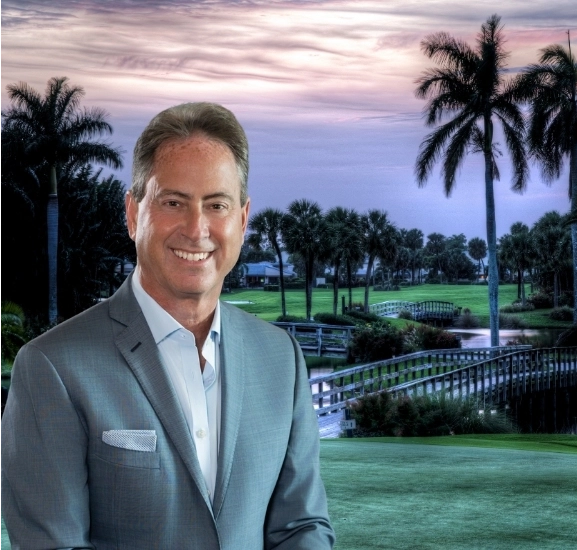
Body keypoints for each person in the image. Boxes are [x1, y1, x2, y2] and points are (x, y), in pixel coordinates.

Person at [0, 102, 335, 549]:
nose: (196, 229)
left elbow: (301, 527)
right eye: (173, 202)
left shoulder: (281, 358)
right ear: (133, 213)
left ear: (242, 219)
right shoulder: (52, 367)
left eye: (216, 204)